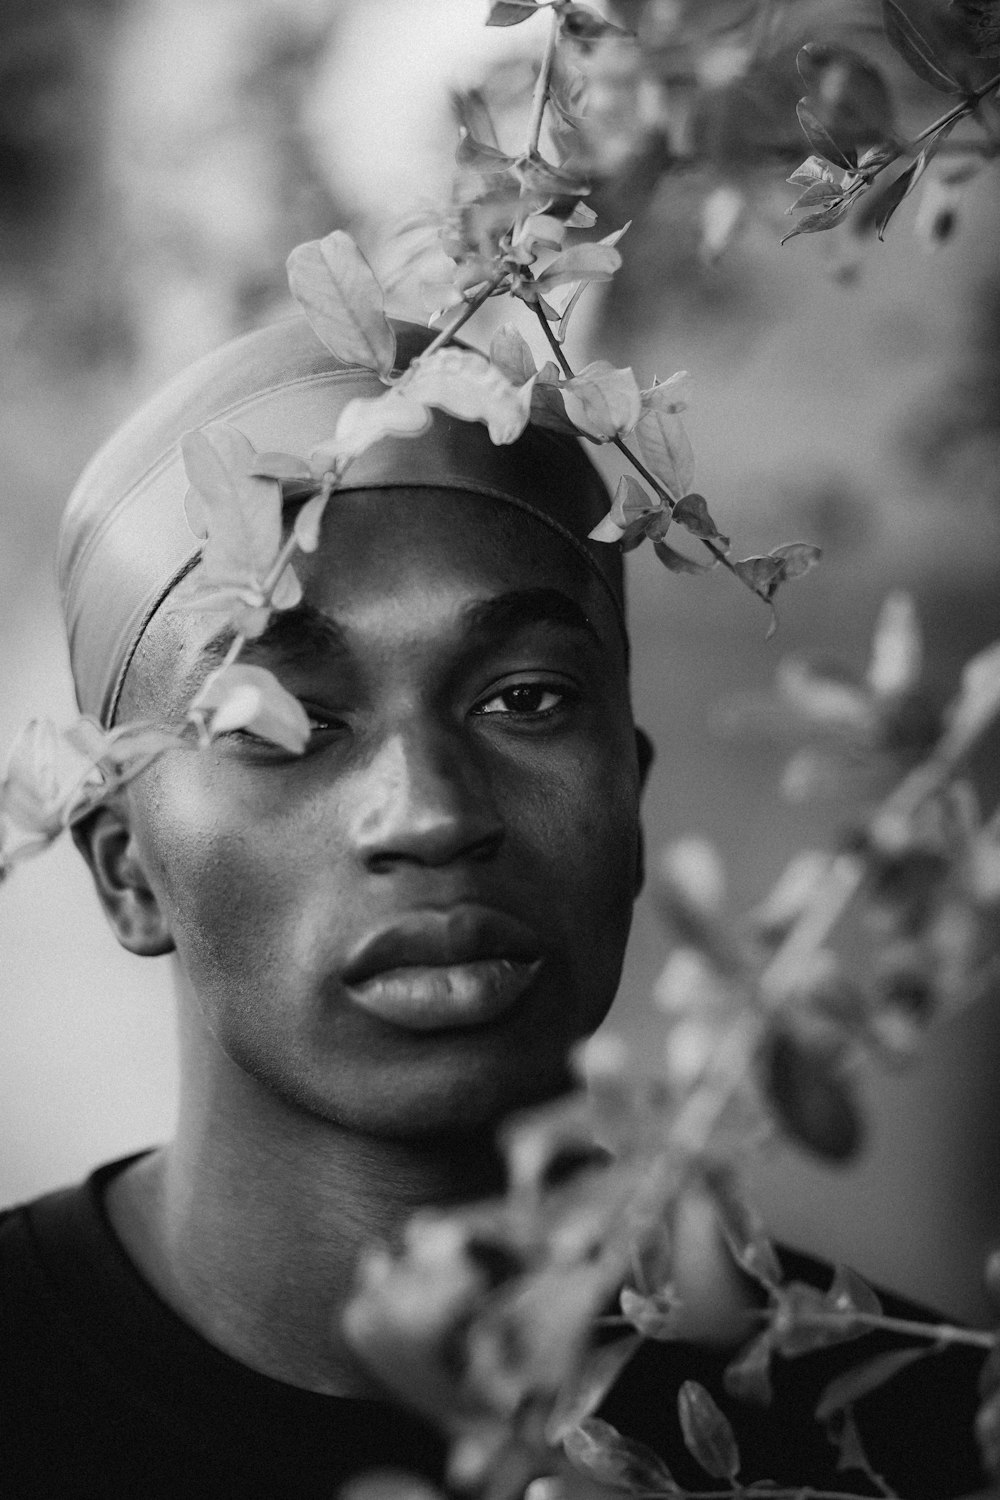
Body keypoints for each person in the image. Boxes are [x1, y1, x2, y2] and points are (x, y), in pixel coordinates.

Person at [0, 312, 988, 1499]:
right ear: (124, 867)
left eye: (522, 699)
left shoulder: (922, 1436)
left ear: (631, 798)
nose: (427, 812)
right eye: (287, 723)